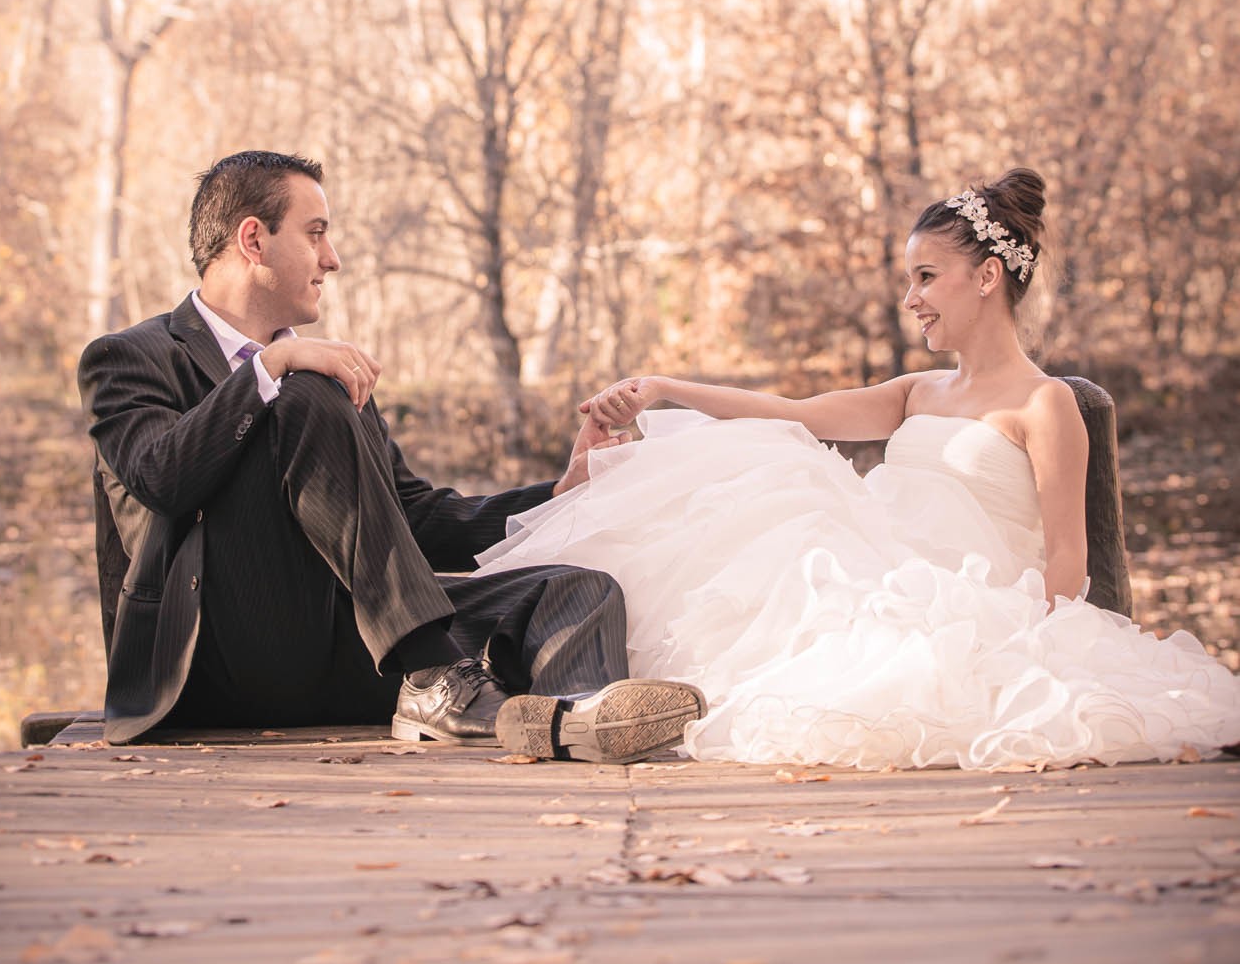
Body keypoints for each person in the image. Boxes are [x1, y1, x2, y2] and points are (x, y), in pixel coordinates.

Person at [483, 170, 1240, 769]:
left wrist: (1036, 649)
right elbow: (796, 411)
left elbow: (1068, 556)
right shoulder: (917, 391)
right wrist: (665, 389)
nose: (910, 299)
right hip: (875, 566)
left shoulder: (1046, 405)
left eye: (925, 277)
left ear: (983, 277)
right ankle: (598, 692)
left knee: (807, 544)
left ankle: (638, 710)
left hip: (963, 601)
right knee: (771, 466)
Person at [80, 150, 704, 754]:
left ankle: (570, 729)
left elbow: (412, 521)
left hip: (350, 645)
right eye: (316, 233)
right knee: (308, 397)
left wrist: (557, 495)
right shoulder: (133, 357)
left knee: (576, 590)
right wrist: (272, 367)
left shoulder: (317, 378)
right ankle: (436, 676)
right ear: (253, 239)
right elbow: (157, 478)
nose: (333, 258)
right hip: (214, 659)